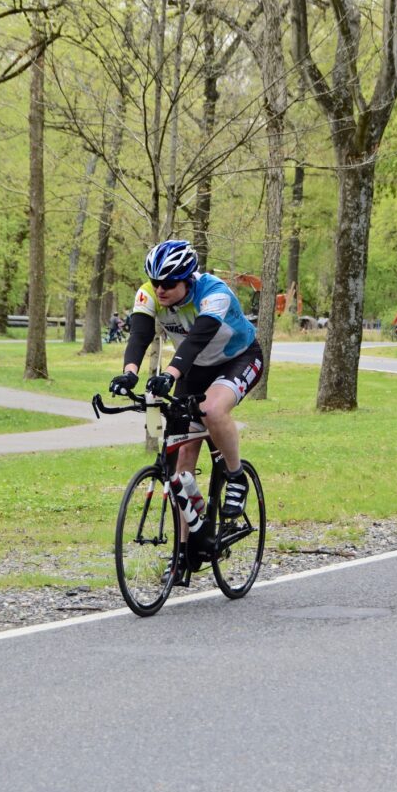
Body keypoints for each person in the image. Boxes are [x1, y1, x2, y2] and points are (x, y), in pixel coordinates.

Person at [109, 240, 263, 573]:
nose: (160, 289)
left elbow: (196, 340)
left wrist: (169, 374)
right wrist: (129, 374)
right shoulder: (149, 294)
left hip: (237, 359)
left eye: (168, 283)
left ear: (187, 280)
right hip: (193, 369)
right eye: (156, 282)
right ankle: (183, 551)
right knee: (181, 464)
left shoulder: (214, 294)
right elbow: (139, 334)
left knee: (211, 410)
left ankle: (236, 478)